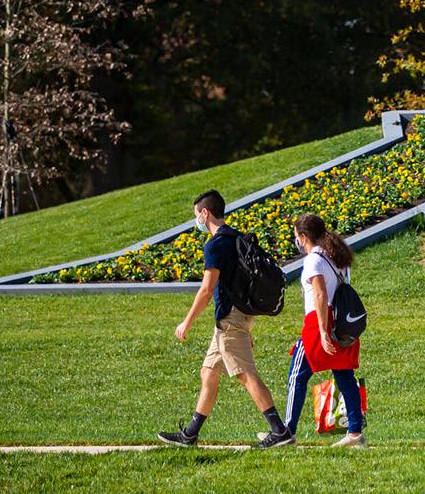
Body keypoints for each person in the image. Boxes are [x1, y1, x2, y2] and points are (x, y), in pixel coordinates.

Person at [157, 189, 294, 449]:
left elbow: (207, 290)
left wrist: (186, 322)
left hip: (230, 321)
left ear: (205, 213)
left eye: (197, 215)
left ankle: (279, 431)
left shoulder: (215, 245)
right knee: (208, 372)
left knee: (245, 374)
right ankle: (190, 434)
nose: (196, 220)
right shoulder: (235, 238)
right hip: (234, 319)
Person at [278, 213, 366, 448]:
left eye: (296, 236)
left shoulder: (314, 260)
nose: (296, 240)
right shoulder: (337, 256)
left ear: (303, 236)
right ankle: (355, 433)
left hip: (320, 323)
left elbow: (320, 295)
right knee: (344, 375)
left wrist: (323, 332)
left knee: (297, 375)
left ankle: (287, 431)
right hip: (342, 324)